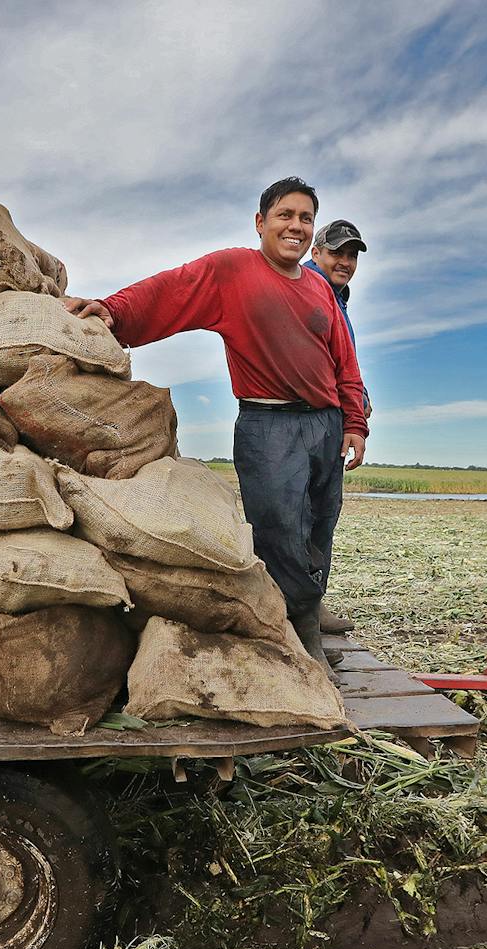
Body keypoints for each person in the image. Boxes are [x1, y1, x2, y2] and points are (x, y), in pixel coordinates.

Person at [64, 177, 369, 676]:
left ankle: (303, 626)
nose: (294, 225)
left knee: (319, 528)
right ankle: (299, 642)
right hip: (268, 424)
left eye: (304, 218)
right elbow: (170, 291)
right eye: (284, 215)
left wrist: (354, 423)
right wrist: (115, 311)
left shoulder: (319, 289)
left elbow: (345, 361)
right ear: (261, 222)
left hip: (326, 424)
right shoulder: (233, 270)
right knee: (279, 531)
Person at [303, 219, 371, 635]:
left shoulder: (337, 297)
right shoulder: (309, 287)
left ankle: (313, 603)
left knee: (323, 516)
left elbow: (344, 361)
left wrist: (358, 407)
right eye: (336, 253)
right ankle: (301, 611)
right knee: (305, 517)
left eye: (351, 255)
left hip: (332, 419)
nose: (344, 261)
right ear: (316, 253)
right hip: (309, 419)